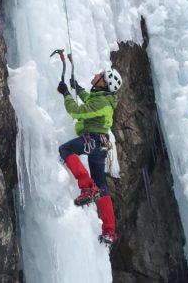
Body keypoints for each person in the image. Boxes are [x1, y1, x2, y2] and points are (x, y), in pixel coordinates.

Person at [57, 68, 122, 245]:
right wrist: (77, 88)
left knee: (66, 150)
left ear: (103, 83)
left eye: (100, 75)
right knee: (101, 185)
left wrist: (66, 94)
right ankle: (109, 231)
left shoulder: (102, 102)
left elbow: (77, 111)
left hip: (93, 140)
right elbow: (89, 100)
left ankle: (86, 187)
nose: (95, 75)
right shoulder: (102, 99)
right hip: (100, 144)